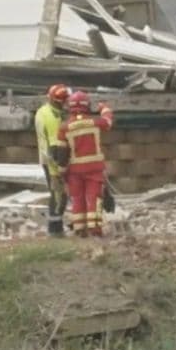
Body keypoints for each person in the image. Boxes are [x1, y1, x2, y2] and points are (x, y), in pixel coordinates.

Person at [53, 91, 114, 237]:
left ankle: (80, 229)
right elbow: (108, 122)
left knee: (77, 198)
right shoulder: (95, 122)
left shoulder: (64, 127)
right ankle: (95, 229)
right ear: (87, 106)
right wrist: (105, 108)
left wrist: (61, 170)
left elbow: (62, 152)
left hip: (74, 171)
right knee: (94, 197)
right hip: (94, 169)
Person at [35, 85, 70, 238]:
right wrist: (59, 166)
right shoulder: (51, 117)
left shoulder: (46, 111)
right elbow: (54, 146)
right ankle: (54, 230)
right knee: (58, 195)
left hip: (49, 157)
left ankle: (56, 227)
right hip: (52, 160)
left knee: (59, 194)